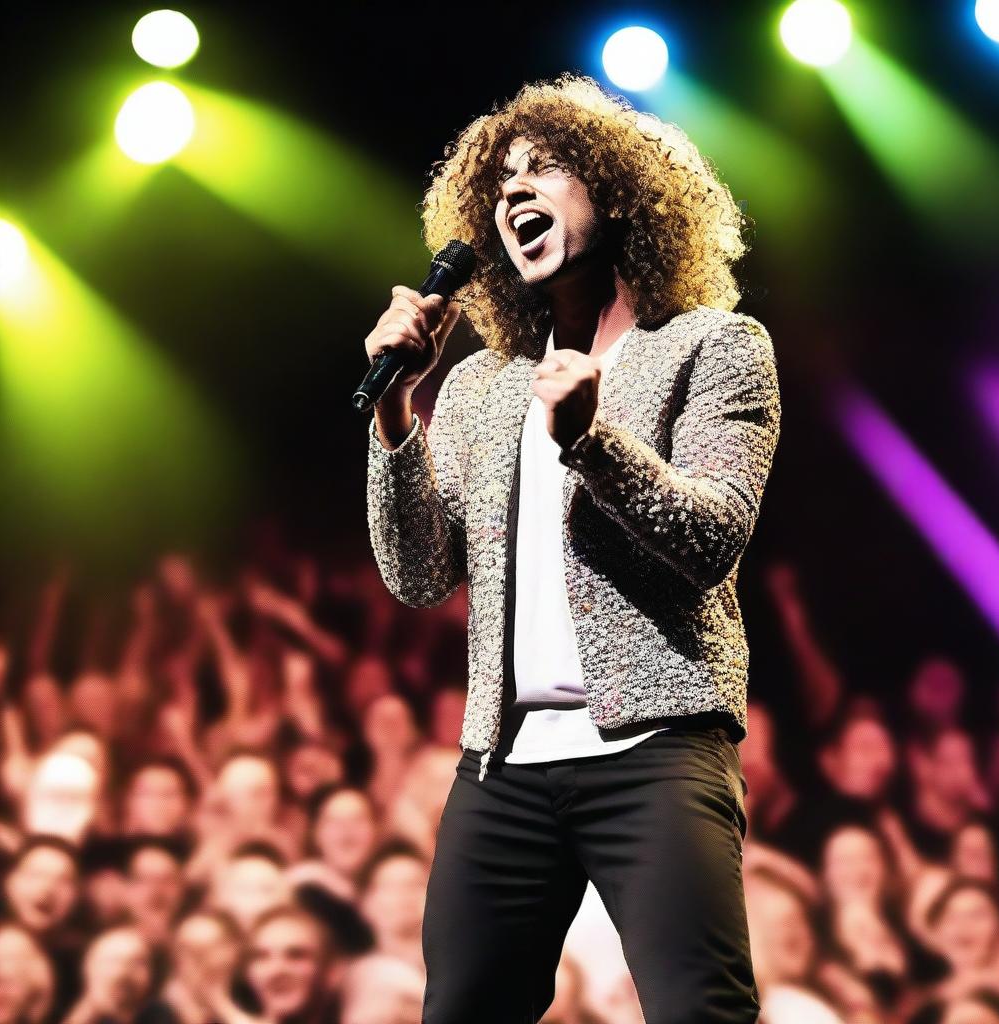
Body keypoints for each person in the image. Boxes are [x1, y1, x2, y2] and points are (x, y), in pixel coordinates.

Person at [363, 73, 781, 1023]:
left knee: (699, 1010)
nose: (515, 191)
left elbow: (713, 534)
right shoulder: (480, 386)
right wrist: (396, 415)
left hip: (657, 745)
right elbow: (420, 573)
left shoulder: (714, 347)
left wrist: (592, 439)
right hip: (502, 764)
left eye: (543, 168)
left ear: (619, 191)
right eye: (501, 180)